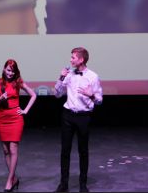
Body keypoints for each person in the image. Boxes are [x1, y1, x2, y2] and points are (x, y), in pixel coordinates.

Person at [54, 47, 103, 193]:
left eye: (73, 57)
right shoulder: (69, 75)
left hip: (83, 117)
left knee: (83, 151)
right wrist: (61, 77)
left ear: (81, 60)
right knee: (65, 151)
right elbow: (57, 94)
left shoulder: (93, 77)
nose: (70, 60)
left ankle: (83, 184)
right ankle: (64, 184)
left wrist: (91, 95)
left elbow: (99, 100)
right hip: (68, 115)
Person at [0, 59, 37, 192]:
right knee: (6, 150)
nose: (10, 73)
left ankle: (9, 180)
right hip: (2, 118)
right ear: (4, 69)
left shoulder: (18, 82)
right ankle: (14, 178)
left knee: (13, 148)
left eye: (13, 71)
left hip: (16, 118)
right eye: (8, 70)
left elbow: (33, 95)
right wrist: (1, 99)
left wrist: (25, 110)